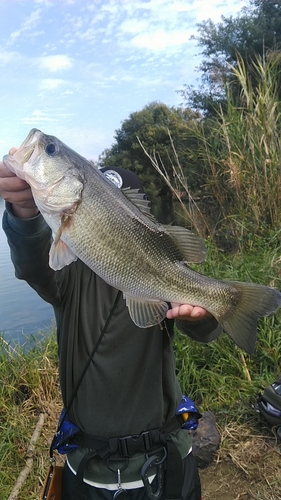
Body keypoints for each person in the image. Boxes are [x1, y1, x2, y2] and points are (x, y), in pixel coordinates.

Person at [0, 149, 222, 500]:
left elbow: (203, 328)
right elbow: (31, 262)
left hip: (166, 459)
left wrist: (208, 313)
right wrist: (24, 212)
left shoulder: (158, 277)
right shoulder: (66, 276)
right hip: (90, 467)